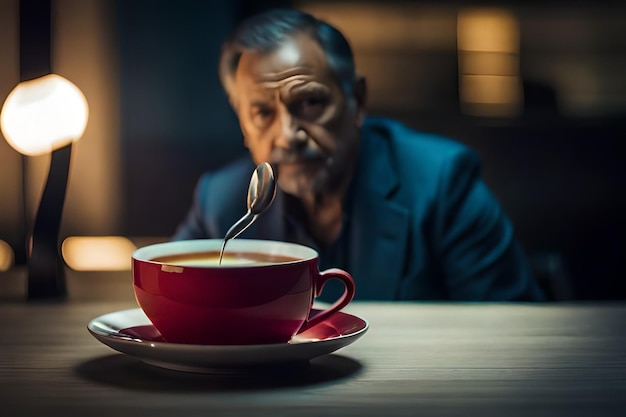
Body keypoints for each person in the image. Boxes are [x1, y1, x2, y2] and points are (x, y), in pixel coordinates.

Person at [172, 8, 545, 301]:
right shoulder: (219, 202)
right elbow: (174, 304)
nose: (288, 135)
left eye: (311, 102)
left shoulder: (443, 183)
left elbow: (515, 330)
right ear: (242, 122)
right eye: (262, 113)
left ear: (359, 101)